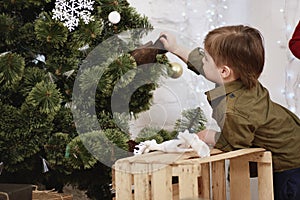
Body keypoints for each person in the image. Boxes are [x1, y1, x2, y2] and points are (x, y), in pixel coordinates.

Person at [160, 25, 300, 200]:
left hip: (290, 167)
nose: (202, 62)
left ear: (224, 71)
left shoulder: (236, 110)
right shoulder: (244, 78)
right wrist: (175, 48)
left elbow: (234, 145)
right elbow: (206, 67)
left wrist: (208, 135)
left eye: (206, 60)